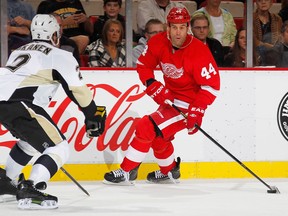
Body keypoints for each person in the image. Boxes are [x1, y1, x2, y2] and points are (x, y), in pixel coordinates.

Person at [103, 7, 220, 185]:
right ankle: (170, 171)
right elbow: (143, 65)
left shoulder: (199, 51)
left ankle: (126, 171)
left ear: (188, 27)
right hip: (170, 99)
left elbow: (211, 86)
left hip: (189, 104)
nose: (178, 32)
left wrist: (197, 111)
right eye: (174, 27)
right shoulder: (158, 42)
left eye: (182, 27)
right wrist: (152, 84)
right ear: (168, 28)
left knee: (145, 126)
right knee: (159, 137)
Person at [0, 14, 106, 209]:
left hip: (4, 101)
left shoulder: (18, 51)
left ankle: (4, 183)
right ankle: (30, 189)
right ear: (55, 36)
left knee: (30, 144)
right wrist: (93, 114)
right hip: (21, 102)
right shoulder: (60, 55)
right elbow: (77, 89)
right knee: (59, 148)